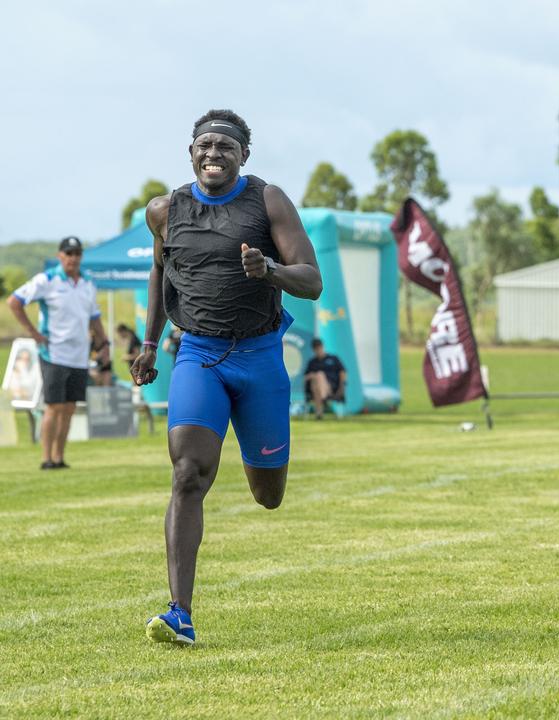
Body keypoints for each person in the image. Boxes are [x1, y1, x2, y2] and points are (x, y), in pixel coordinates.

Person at [131, 109, 322, 645]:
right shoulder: (165, 211)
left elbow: (312, 281)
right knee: (188, 472)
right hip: (197, 356)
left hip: (259, 359)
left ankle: (256, 452)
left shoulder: (267, 201)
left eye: (226, 147)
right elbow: (158, 272)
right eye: (205, 145)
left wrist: (272, 270)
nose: (214, 153)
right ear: (190, 151)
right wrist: (149, 344)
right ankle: (179, 613)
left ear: (244, 156)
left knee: (268, 495)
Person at [6, 236, 108, 469]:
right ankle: (46, 458)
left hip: (79, 355)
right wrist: (33, 332)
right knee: (54, 406)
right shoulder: (47, 279)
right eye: (68, 253)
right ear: (60, 256)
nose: (73, 258)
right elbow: (14, 301)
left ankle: (59, 457)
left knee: (70, 407)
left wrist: (104, 344)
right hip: (54, 352)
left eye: (77, 254)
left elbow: (94, 317)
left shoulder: (88, 283)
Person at [304, 338, 346, 419]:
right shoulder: (312, 362)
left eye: (319, 347)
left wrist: (342, 386)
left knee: (320, 374)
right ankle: (323, 399)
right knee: (317, 378)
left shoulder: (333, 358)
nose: (318, 350)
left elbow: (342, 372)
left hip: (332, 387)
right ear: (313, 350)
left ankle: (319, 410)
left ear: (322, 347)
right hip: (315, 389)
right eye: (316, 348)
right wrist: (312, 375)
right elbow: (305, 377)